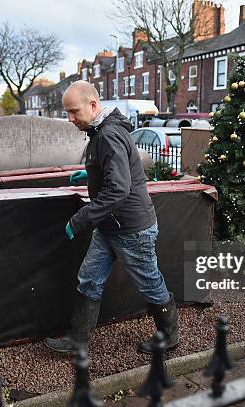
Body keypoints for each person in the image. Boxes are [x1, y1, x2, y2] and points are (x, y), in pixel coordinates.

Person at [43, 81, 178, 355]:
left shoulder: (108, 135)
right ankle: (78, 341)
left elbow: (118, 188)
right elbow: (122, 170)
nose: (69, 119)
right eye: (67, 112)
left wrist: (80, 219)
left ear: (93, 106)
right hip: (110, 226)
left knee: (149, 281)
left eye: (73, 111)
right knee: (89, 279)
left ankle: (169, 335)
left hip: (131, 228)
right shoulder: (100, 131)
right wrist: (92, 174)